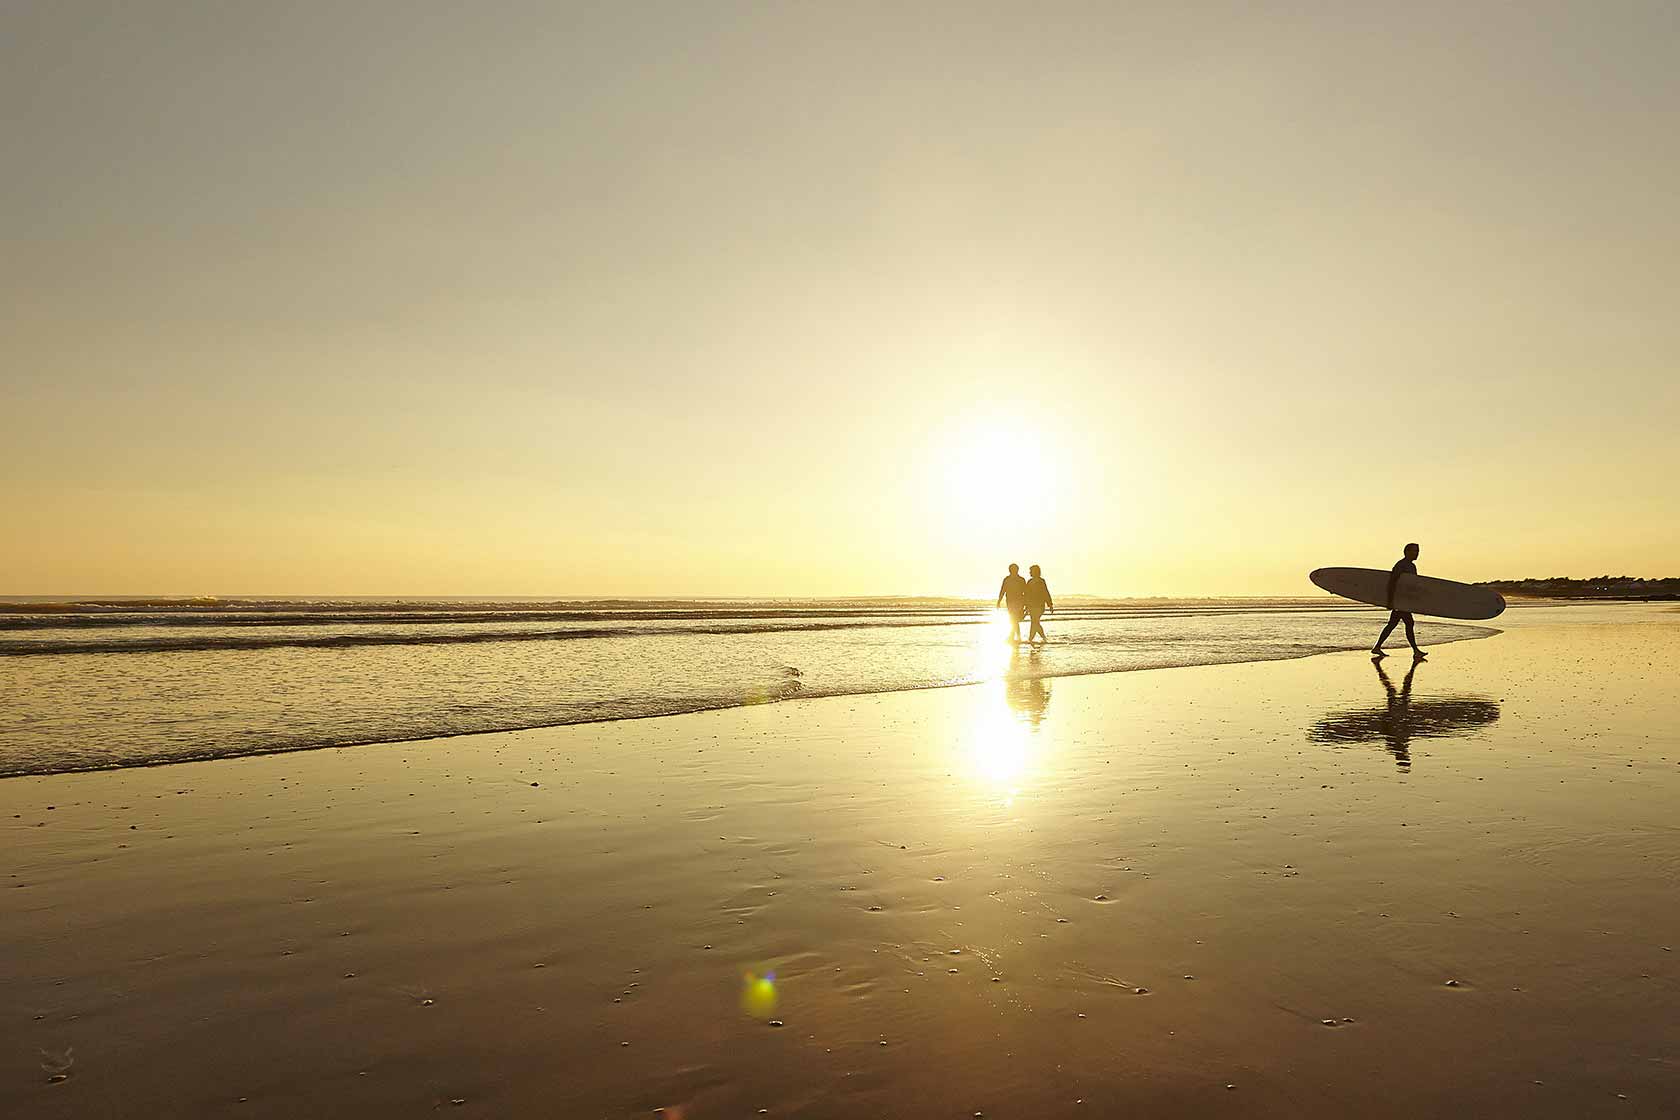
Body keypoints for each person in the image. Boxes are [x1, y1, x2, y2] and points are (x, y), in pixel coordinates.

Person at [1372, 542, 1426, 659]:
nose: (1417, 553)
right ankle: (1415, 650)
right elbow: (1392, 583)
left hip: (1404, 601)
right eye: (1414, 551)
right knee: (1408, 623)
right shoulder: (1401, 565)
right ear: (1407, 552)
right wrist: (1390, 601)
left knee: (1393, 624)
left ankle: (1377, 647)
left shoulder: (1411, 566)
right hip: (1399, 601)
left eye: (1418, 551)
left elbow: (1411, 585)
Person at [996, 563, 1028, 643]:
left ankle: (1013, 636)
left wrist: (999, 601)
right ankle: (1017, 636)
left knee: (1014, 620)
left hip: (1018, 602)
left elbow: (1026, 592)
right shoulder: (1010, 579)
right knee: (1014, 620)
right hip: (1011, 602)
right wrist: (999, 601)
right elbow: (1003, 590)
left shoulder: (1019, 580)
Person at [1025, 564, 1054, 643]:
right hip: (1032, 605)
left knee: (1034, 622)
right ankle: (1042, 638)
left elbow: (1045, 592)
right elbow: (1027, 594)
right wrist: (1026, 605)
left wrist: (1050, 604)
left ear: (1035, 572)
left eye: (1031, 571)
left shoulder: (1041, 581)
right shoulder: (1029, 582)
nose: (1029, 572)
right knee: (1035, 622)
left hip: (1039, 606)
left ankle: (1031, 639)